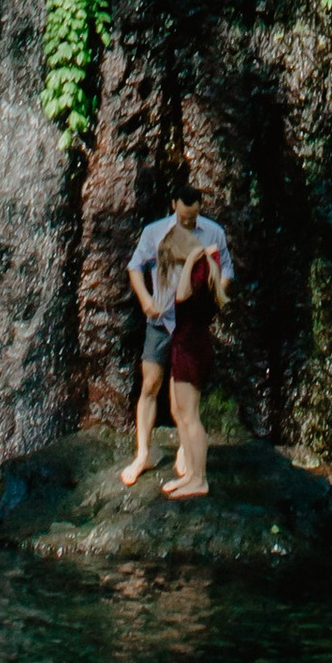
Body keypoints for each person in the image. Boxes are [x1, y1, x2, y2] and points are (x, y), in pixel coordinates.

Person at [121, 182, 234, 483]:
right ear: (174, 205)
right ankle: (142, 454)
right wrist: (145, 300)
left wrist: (210, 303)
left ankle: (186, 452)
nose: (189, 222)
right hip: (160, 320)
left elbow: (226, 276)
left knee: (181, 399)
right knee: (151, 384)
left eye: (194, 217)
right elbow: (135, 267)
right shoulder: (154, 232)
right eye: (184, 217)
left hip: (190, 324)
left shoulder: (213, 233)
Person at [157, 225, 227, 502]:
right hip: (184, 346)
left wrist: (190, 260)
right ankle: (190, 474)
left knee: (191, 416)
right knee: (178, 409)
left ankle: (200, 478)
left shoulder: (199, 270)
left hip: (192, 349)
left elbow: (183, 295)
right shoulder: (203, 263)